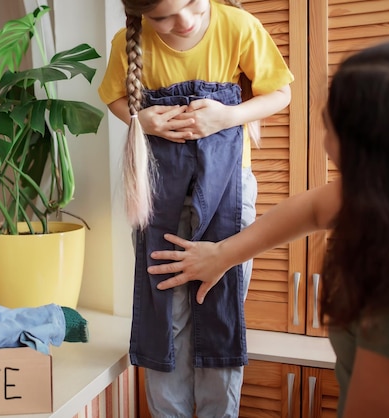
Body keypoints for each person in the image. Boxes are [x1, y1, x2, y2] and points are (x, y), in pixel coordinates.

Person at [147, 40, 389, 418]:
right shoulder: (372, 190)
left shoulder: (386, 299)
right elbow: (311, 209)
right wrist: (222, 254)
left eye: (331, 119)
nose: (322, 123)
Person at [98, 0, 293, 416]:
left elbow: (280, 92)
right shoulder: (127, 43)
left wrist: (229, 116)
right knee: (164, 311)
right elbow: (114, 98)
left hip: (228, 192)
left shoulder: (237, 26)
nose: (184, 21)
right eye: (163, 16)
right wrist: (141, 121)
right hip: (158, 193)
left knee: (219, 307)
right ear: (139, 16)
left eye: (190, 3)